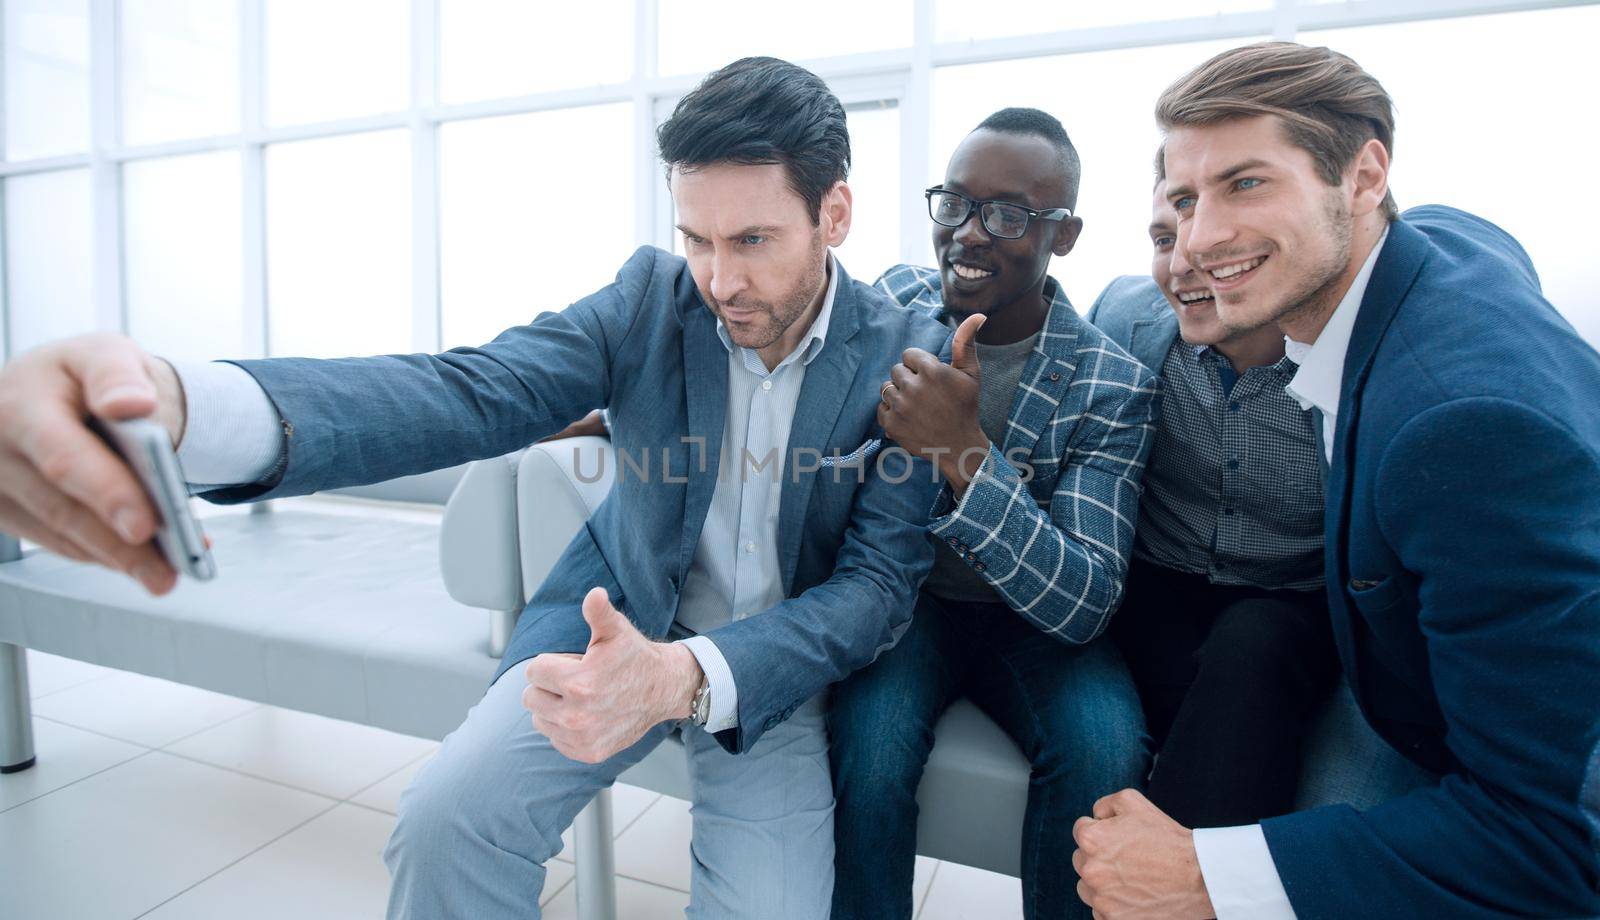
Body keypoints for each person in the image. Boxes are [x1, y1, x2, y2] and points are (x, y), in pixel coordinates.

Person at [0, 57, 955, 920]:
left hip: (768, 688)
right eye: (697, 238)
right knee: (445, 823)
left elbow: (872, 593)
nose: (719, 280)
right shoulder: (648, 302)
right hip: (610, 631)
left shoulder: (902, 357)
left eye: (752, 240)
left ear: (834, 214)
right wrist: (178, 403)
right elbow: (469, 389)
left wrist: (685, 677)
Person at [1070, 41, 1600, 920]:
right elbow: (1478, 233)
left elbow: (1555, 843)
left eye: (1248, 183)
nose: (1199, 243)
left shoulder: (1462, 431)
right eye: (1185, 202)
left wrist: (1201, 877)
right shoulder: (1435, 251)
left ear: (1363, 176)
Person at [829, 108, 1158, 920]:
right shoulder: (898, 302)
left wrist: (966, 452)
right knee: (868, 755)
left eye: (1009, 214)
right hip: (910, 602)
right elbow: (785, 395)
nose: (969, 235)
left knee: (1105, 752)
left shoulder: (1112, 385)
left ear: (1065, 235)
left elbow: (1083, 605)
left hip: (1033, 627)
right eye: (956, 204)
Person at [1087, 176, 1338, 830]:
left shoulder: (1342, 361)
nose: (1180, 266)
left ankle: (1184, 881)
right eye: (1164, 239)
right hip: (1157, 583)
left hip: (1292, 597)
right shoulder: (1123, 317)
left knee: (1255, 643)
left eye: (1207, 243)